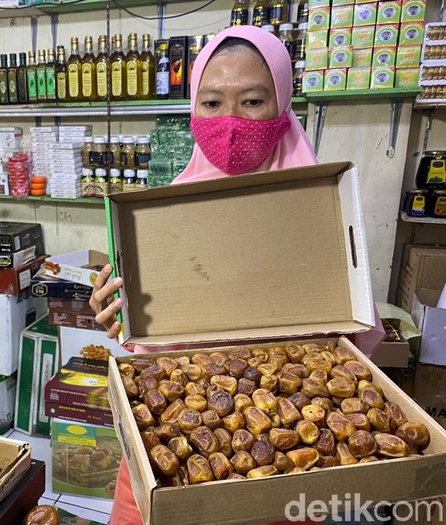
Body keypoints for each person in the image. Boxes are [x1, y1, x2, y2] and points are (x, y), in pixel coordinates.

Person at [89, 26, 386, 525]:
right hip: (170, 456)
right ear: (192, 108)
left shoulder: (323, 215)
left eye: (251, 101)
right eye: (210, 103)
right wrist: (117, 316)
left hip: (281, 472)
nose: (229, 122)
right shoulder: (161, 218)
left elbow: (347, 353)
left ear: (283, 106)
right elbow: (150, 347)